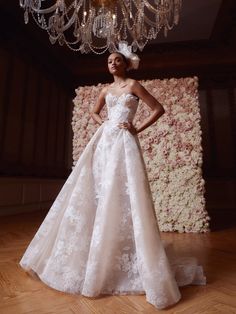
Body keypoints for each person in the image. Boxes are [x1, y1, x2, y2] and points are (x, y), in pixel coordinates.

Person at [19, 42, 206, 310]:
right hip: (104, 141)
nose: (112, 63)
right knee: (98, 189)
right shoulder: (106, 90)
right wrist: (104, 124)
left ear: (126, 64)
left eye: (117, 60)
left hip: (125, 143)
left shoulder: (133, 86)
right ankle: (98, 246)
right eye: (109, 61)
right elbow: (95, 112)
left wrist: (136, 128)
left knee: (123, 191)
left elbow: (158, 108)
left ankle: (125, 249)